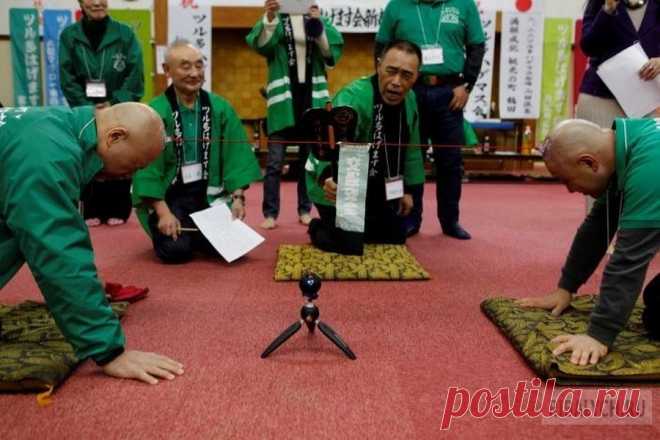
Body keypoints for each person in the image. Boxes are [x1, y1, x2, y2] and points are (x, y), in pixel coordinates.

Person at [0, 103, 183, 384]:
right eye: (135, 165)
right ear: (115, 137)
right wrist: (109, 351)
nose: (130, 176)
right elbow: (57, 252)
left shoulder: (58, 125)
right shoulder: (47, 157)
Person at [518, 118, 660, 366]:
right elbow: (596, 229)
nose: (570, 190)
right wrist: (566, 287)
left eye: (567, 180)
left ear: (589, 163)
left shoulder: (651, 165)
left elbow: (629, 258)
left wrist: (598, 335)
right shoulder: (631, 144)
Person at [132, 41, 262, 264]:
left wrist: (238, 198)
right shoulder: (154, 113)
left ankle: (201, 235)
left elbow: (236, 155)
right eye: (185, 67)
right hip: (171, 195)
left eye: (199, 66)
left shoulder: (220, 108)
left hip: (208, 193)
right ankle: (178, 230)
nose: (194, 73)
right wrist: (163, 212)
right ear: (167, 70)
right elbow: (147, 169)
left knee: (234, 251)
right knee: (176, 251)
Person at [376, 0, 486, 240]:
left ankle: (450, 221)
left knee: (450, 160)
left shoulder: (464, 5)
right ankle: (410, 218)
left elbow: (477, 46)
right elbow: (381, 48)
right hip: (410, 92)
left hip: (449, 93)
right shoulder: (397, 6)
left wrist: (466, 85)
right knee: (409, 157)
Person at [305, 40, 426, 255]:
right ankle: (318, 227)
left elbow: (411, 148)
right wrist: (328, 179)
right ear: (378, 65)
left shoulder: (410, 100)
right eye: (391, 71)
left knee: (395, 238)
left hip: (377, 185)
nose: (397, 82)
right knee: (349, 246)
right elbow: (327, 148)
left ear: (417, 76)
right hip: (339, 186)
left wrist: (407, 190)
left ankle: (362, 224)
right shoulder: (353, 99)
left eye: (407, 75)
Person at [247, 0, 344, 230]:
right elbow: (262, 46)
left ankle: (305, 209)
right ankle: (270, 213)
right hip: (283, 103)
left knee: (308, 162)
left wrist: (318, 23)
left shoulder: (317, 18)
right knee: (273, 163)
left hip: (312, 101)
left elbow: (331, 54)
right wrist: (269, 18)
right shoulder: (277, 20)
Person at [59, 0, 145, 227]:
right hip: (85, 109)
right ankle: (91, 209)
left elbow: (136, 72)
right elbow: (67, 77)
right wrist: (87, 105)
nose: (97, 2)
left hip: (118, 105)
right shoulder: (69, 36)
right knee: (90, 150)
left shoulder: (124, 33)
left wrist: (114, 103)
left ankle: (119, 208)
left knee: (119, 151)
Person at [577, 0, 660, 212]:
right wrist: (608, 10)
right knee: (597, 172)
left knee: (646, 173)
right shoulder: (601, 3)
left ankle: (636, 241)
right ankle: (600, 242)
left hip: (647, 98)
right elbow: (588, 46)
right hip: (600, 97)